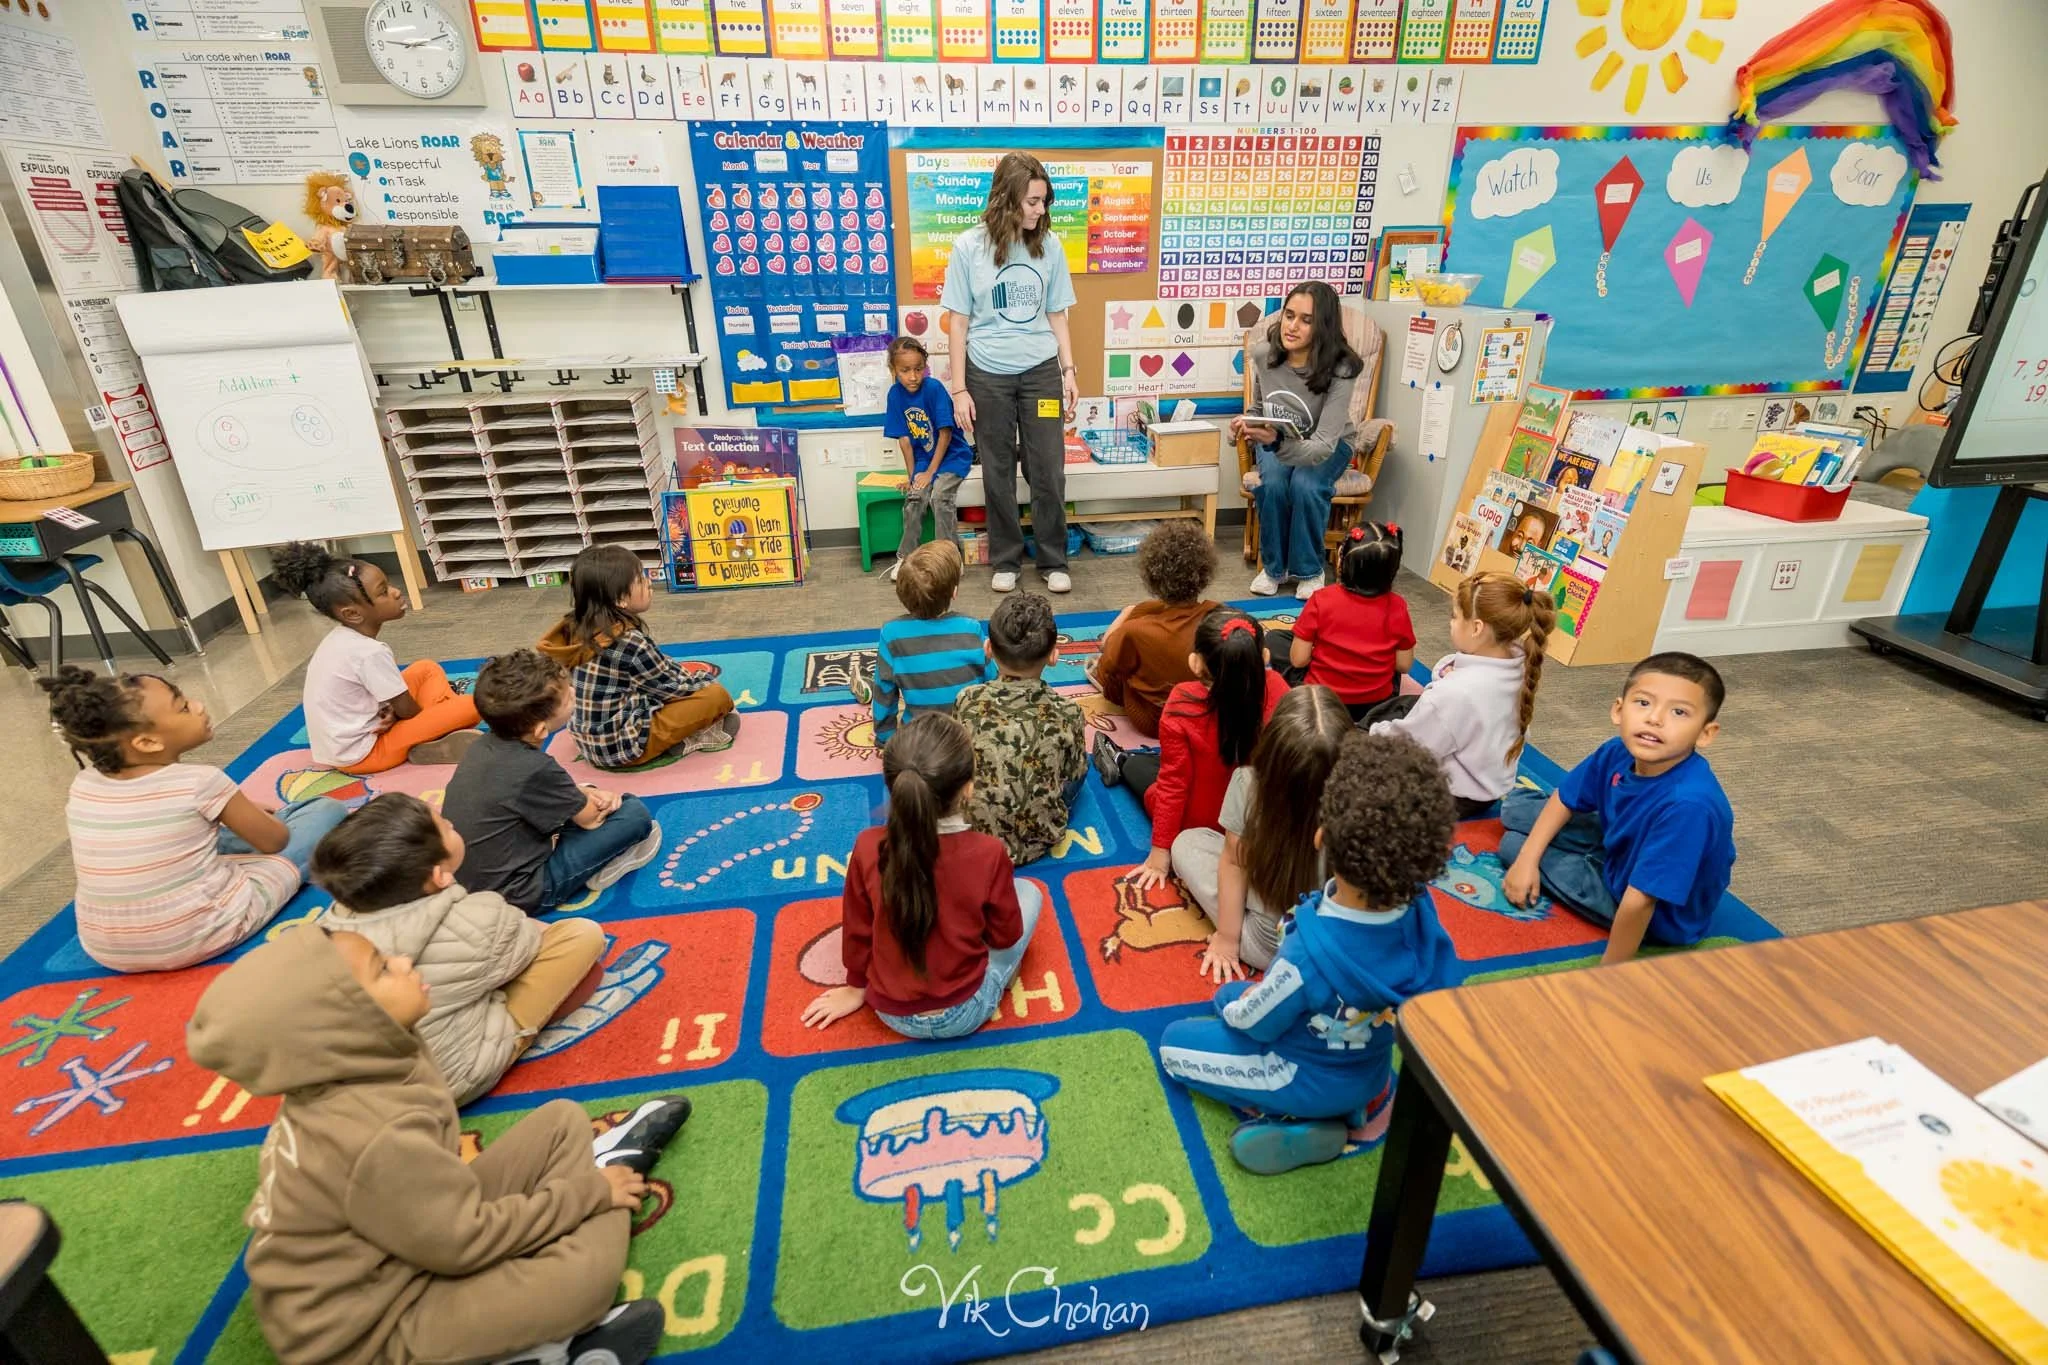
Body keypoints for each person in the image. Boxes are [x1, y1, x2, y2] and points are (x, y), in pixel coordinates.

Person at [187, 923, 689, 1365]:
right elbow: (464, 1243)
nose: (405, 963)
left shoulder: (359, 1066)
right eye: (383, 969)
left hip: (405, 1253)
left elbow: (440, 1221)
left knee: (561, 1120)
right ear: (345, 1025)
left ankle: (582, 1201)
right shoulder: (372, 1133)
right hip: (371, 1332)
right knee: (581, 1286)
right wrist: (590, 1194)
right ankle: (551, 1337)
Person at [1157, 731, 1457, 1175]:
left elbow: (1258, 1022)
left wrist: (1237, 1009)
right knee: (1232, 997)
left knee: (1174, 1045)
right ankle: (1343, 1107)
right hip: (1370, 1072)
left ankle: (1302, 1122)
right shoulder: (1420, 912)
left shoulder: (1309, 954)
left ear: (1321, 837)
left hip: (1296, 1074)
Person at [41, 665, 348, 974]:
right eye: (184, 707)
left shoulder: (83, 783)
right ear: (147, 743)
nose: (199, 706)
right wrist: (245, 813)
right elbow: (276, 841)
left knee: (190, 836)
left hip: (105, 946)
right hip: (199, 933)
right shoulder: (201, 782)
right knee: (325, 811)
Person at [316, 794, 610, 1105]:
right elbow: (531, 942)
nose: (451, 822)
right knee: (582, 936)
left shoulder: (328, 926)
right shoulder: (475, 920)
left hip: (360, 1088)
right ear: (439, 876)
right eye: (445, 826)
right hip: (449, 1079)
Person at [799, 715, 1042, 1040]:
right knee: (1029, 892)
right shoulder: (988, 852)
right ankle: (996, 976)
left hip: (890, 1012)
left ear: (893, 785)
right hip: (965, 1009)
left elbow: (858, 926)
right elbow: (1005, 936)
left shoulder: (868, 846)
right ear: (968, 788)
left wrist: (856, 988)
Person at [1500, 652, 1735, 965]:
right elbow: (1565, 797)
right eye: (1644, 703)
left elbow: (1640, 901)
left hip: (1655, 911)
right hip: (1621, 844)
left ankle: (1584, 863)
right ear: (1619, 710)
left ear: (1705, 733)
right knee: (1515, 808)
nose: (1655, 719)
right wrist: (1528, 861)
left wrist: (1610, 972)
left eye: (1679, 712)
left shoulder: (1689, 806)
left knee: (1512, 844)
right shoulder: (1617, 750)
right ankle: (1578, 854)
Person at [942, 151, 1080, 595]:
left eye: (1044, 202)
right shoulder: (969, 247)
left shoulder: (1050, 245)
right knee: (997, 471)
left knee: (1048, 469)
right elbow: (958, 322)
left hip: (1040, 372)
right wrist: (959, 389)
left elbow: (1057, 314)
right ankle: (1006, 559)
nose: (1040, 210)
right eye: (1033, 201)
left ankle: (1053, 559)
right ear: (1007, 198)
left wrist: (1069, 370)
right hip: (987, 375)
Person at [442, 648, 662, 913]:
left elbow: (531, 795)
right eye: (568, 698)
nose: (574, 692)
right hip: (520, 894)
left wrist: (582, 793)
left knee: (577, 801)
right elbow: (590, 819)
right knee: (634, 814)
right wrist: (601, 799)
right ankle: (601, 866)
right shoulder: (535, 767)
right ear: (540, 730)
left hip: (468, 878)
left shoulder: (480, 747)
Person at [1092, 607, 1289, 891]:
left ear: (1195, 663)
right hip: (1257, 823)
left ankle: (1121, 759)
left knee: (1144, 767)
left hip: (1198, 824)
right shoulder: (1279, 688)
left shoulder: (1182, 701)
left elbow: (1174, 784)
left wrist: (1160, 852)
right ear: (1265, 657)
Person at [1173, 684, 1350, 983]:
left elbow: (1234, 861)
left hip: (1265, 943)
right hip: (1333, 945)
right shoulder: (1363, 796)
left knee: (1188, 842)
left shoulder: (1249, 784)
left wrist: (1228, 939)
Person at [272, 542, 482, 773]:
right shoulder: (369, 652)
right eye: (383, 592)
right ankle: (436, 736)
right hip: (365, 754)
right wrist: (411, 717)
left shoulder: (340, 640)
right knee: (475, 704)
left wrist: (396, 711)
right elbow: (408, 711)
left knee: (426, 668)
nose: (396, 592)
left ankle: (436, 734)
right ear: (352, 614)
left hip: (351, 740)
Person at [1370, 570, 1554, 818]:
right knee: (1406, 705)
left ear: (1477, 628)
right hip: (1488, 783)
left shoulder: (1456, 693)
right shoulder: (1520, 662)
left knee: (1365, 749)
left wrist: (1373, 734)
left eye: (1454, 616)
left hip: (1454, 796)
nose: (1451, 623)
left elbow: (1409, 750)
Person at [538, 544, 738, 770]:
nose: (649, 582)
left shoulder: (577, 626)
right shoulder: (629, 641)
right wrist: (707, 681)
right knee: (716, 697)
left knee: (666, 674)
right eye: (640, 579)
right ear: (620, 599)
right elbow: (674, 689)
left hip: (587, 739)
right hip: (622, 747)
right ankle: (681, 741)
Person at [1231, 281, 1364, 600]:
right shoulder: (1265, 354)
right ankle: (1274, 568)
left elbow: (1323, 444)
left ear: (1323, 326)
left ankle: (1309, 569)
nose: (1292, 326)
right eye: (1289, 315)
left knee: (1305, 484)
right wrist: (1246, 423)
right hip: (1279, 436)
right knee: (1274, 483)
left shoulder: (1341, 367)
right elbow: (1261, 406)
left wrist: (1279, 446)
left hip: (1328, 442)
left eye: (1306, 320)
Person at [954, 592, 1088, 865]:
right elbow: (1074, 772)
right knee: (1078, 770)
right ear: (1053, 656)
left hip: (973, 833)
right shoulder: (1069, 711)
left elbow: (955, 758)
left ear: (988, 649)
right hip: (1040, 838)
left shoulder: (967, 699)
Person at [1267, 522, 1415, 720]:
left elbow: (1298, 660)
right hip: (1375, 705)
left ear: (1341, 561)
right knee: (1393, 665)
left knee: (1275, 639)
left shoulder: (1321, 599)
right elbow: (1404, 665)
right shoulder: (1398, 606)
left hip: (1322, 700)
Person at [1091, 520, 1223, 738]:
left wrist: (1125, 614)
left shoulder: (1134, 631)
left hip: (1155, 720)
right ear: (1204, 572)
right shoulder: (1219, 614)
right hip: (1209, 712)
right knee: (1142, 612)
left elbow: (1106, 669)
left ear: (1152, 576)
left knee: (1111, 670)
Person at [862, 539, 991, 745]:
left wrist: (885, 738)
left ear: (901, 593)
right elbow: (992, 681)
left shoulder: (892, 634)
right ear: (954, 592)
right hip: (967, 739)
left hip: (919, 741)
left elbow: (885, 691)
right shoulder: (971, 628)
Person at [883, 334, 975, 579]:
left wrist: (931, 473)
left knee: (940, 495)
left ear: (925, 366)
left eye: (918, 369)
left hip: (952, 455)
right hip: (924, 459)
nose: (913, 376)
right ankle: (906, 558)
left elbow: (945, 433)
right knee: (915, 497)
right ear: (893, 370)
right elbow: (905, 440)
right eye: (905, 371)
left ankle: (949, 559)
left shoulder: (933, 388)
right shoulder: (894, 395)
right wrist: (913, 476)